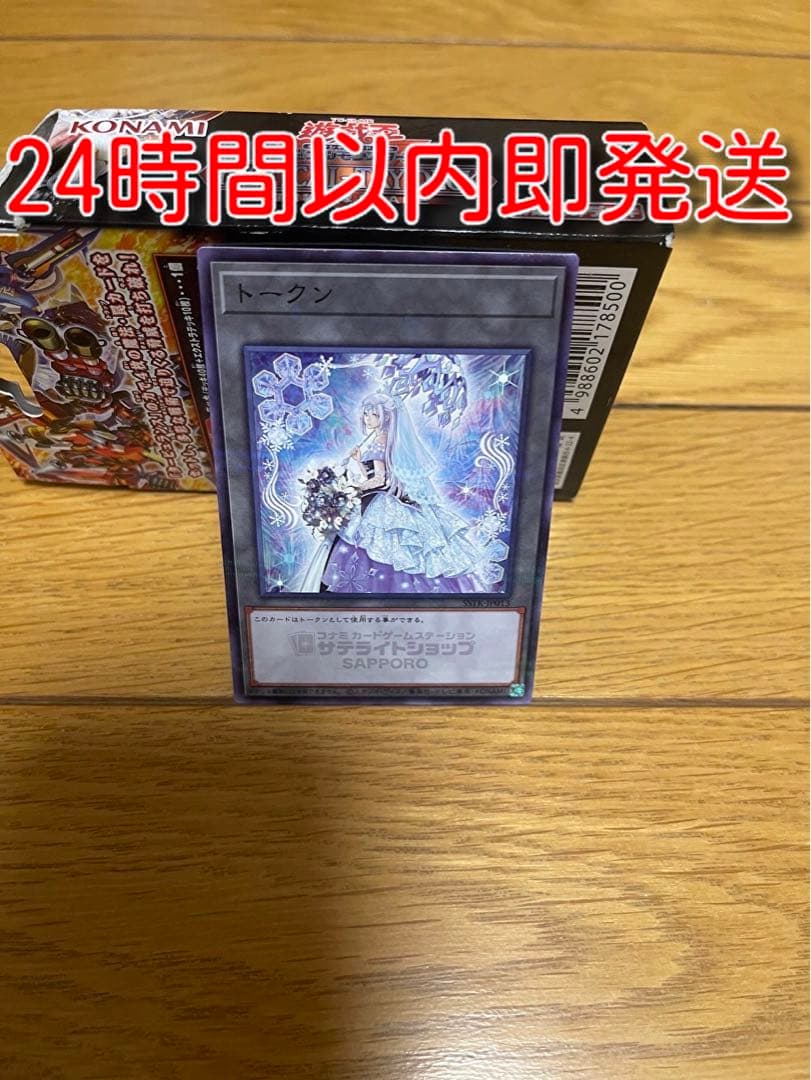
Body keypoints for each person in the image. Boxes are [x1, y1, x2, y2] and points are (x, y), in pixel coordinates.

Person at [303, 392, 491, 594]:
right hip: (386, 498)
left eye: (373, 414)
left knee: (371, 547)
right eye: (366, 413)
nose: (367, 418)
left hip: (379, 501)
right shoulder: (387, 440)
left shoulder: (379, 441)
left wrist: (351, 489)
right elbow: (379, 474)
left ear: (385, 418)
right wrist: (358, 461)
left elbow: (379, 480)